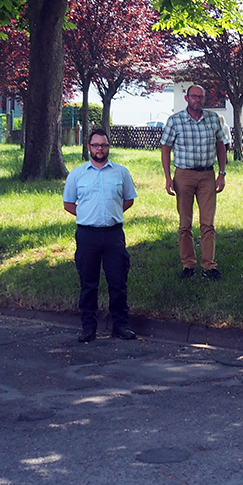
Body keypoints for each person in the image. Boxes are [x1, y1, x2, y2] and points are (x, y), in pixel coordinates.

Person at [63, 128, 138, 343]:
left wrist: (110, 214)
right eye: (95, 145)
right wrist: (89, 215)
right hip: (87, 235)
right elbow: (68, 204)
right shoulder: (77, 174)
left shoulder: (121, 172)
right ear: (88, 148)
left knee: (118, 282)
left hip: (114, 235)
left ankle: (121, 326)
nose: (100, 149)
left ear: (108, 147)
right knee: (88, 283)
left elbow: (128, 200)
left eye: (103, 145)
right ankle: (88, 328)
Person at [161, 84, 229, 280]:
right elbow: (166, 148)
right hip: (184, 175)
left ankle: (209, 266)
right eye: (194, 96)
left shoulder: (213, 119)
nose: (197, 100)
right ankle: (188, 265)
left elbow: (221, 146)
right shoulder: (175, 121)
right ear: (187, 98)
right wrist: (168, 177)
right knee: (185, 223)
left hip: (207, 175)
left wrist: (222, 173)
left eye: (201, 97)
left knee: (208, 223)